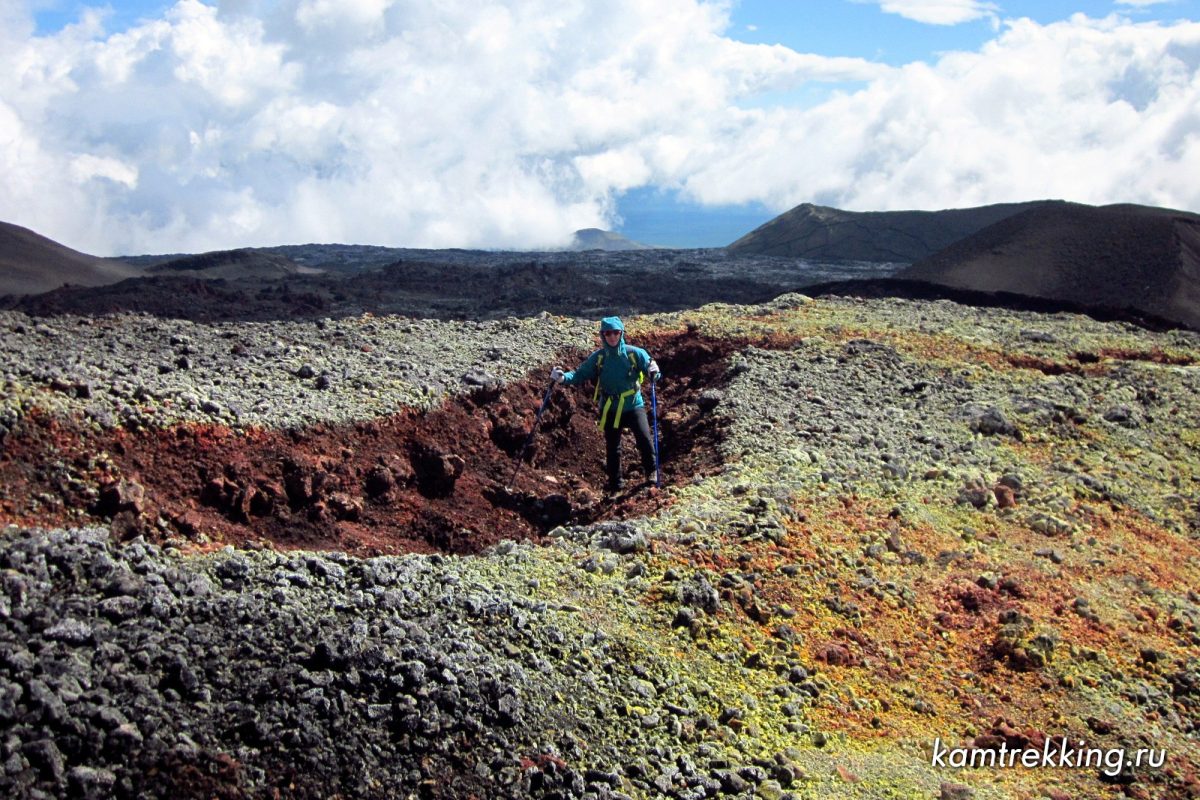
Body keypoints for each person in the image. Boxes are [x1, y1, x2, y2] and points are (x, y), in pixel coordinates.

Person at [552, 317, 661, 493]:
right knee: (613, 448)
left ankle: (651, 472)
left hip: (634, 404)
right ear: (603, 335)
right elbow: (580, 374)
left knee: (644, 439)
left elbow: (652, 371)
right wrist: (563, 378)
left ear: (621, 333)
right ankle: (615, 486)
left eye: (615, 332)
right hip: (610, 408)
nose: (612, 337)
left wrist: (655, 373)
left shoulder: (635, 353)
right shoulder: (599, 358)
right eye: (607, 333)